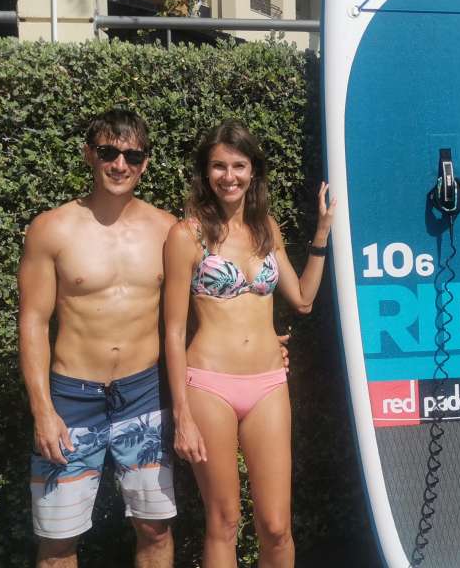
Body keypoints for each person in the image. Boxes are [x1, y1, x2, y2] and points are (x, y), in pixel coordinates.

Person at [163, 120, 333, 567]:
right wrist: (181, 413)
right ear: (205, 172)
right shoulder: (186, 235)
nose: (229, 176)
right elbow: (173, 331)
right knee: (223, 521)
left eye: (238, 165)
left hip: (268, 385)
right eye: (218, 166)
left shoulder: (266, 229)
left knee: (277, 526)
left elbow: (303, 301)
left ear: (253, 171)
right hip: (208, 386)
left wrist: (321, 233)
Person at [19, 109, 178, 567]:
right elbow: (32, 322)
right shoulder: (51, 228)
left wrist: (265, 344)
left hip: (144, 394)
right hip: (71, 399)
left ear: (145, 163)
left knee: (155, 528)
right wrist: (42, 410)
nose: (120, 164)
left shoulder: (167, 230)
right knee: (57, 539)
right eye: (109, 152)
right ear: (90, 155)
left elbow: (197, 309)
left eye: (132, 155)